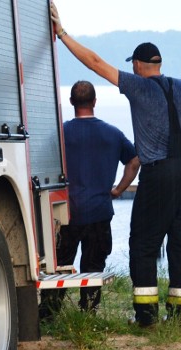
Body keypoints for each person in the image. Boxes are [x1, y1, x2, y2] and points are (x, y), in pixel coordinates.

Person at [49, 1, 181, 327]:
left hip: (159, 173)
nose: (131, 70)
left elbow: (95, 63)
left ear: (141, 66)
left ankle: (146, 316)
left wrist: (62, 33)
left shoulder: (137, 86)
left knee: (142, 244)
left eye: (134, 65)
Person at [40, 80, 140, 320]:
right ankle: (88, 312)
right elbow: (135, 160)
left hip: (66, 213)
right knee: (94, 266)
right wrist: (119, 189)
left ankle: (50, 314)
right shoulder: (113, 134)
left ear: (72, 102)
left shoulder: (60, 134)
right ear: (95, 102)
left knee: (60, 265)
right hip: (99, 211)